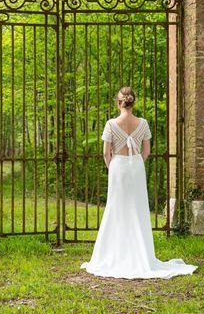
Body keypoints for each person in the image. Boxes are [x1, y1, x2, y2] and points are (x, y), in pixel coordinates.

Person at [81, 86, 197, 279]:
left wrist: (114, 166)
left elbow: (105, 152)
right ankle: (140, 253)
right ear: (133, 102)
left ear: (119, 103)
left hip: (117, 166)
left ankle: (114, 252)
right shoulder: (142, 123)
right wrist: (135, 163)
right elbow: (147, 151)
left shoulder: (111, 124)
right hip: (136, 166)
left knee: (116, 207)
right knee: (137, 208)